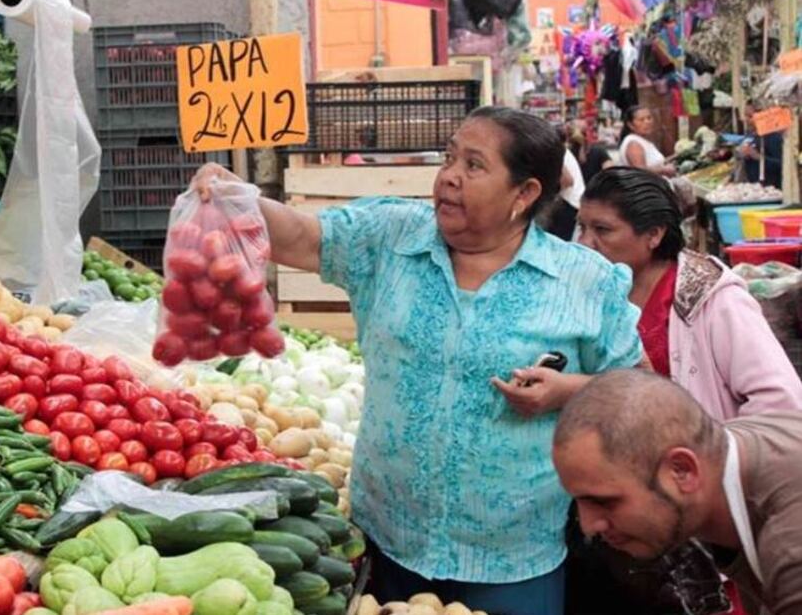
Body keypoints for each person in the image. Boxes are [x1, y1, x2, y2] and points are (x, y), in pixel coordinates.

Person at [191, 106, 644, 614]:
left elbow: (639, 392)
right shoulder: (391, 238)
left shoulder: (584, 281)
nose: (449, 176)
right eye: (449, 158)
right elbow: (298, 235)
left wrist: (568, 391)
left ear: (524, 193)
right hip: (388, 543)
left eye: (474, 165)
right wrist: (234, 196)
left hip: (512, 560)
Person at [552, 369, 802, 615]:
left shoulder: (790, 544)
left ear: (682, 470)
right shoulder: (723, 448)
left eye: (603, 502)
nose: (588, 525)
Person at [575, 166, 802, 418]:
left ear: (654, 234)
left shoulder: (715, 299)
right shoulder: (589, 293)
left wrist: (713, 440)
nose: (585, 243)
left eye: (602, 230)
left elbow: (781, 401)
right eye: (582, 228)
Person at [618, 106, 675, 176]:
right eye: (641, 120)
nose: (647, 122)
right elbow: (640, 171)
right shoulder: (633, 144)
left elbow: (655, 164)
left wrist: (676, 156)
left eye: (649, 118)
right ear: (630, 125)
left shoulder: (642, 140)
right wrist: (663, 170)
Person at [739, 104, 784, 188]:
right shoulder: (751, 135)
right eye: (745, 116)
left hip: (771, 188)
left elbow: (781, 165)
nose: (745, 120)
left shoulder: (773, 137)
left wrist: (758, 157)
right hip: (754, 187)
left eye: (750, 116)